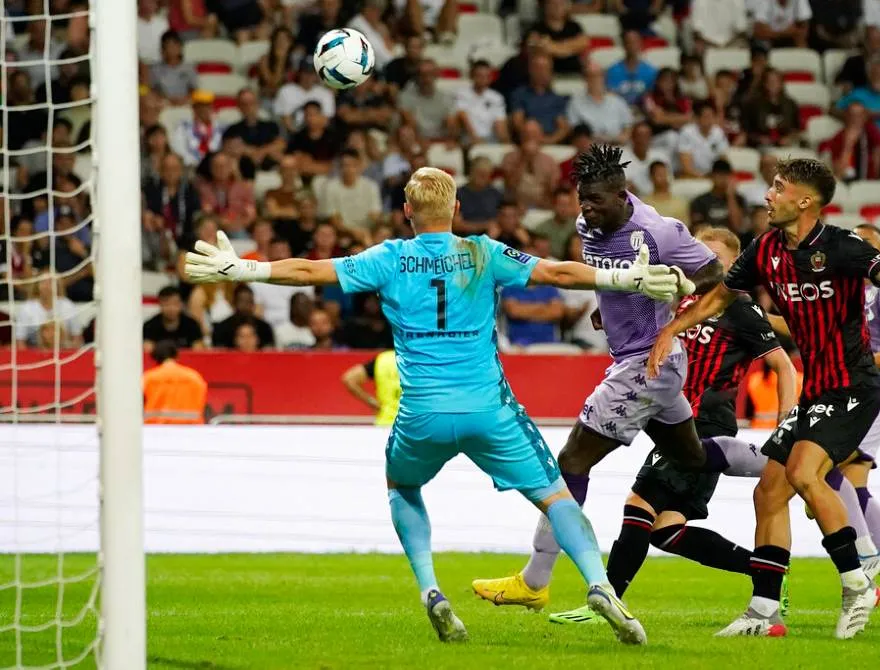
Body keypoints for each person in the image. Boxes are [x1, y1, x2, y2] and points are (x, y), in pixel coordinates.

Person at [184, 165, 689, 645]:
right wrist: (626, 280)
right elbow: (557, 274)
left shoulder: (388, 258)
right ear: (457, 208)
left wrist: (244, 268)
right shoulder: (481, 252)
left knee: (402, 485)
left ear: (406, 209)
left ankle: (431, 589)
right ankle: (600, 586)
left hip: (421, 413)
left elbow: (308, 270)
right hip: (489, 411)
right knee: (556, 496)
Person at [646, 158, 880, 638]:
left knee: (803, 473)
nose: (767, 195)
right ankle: (764, 608)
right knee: (768, 492)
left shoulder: (843, 247)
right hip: (816, 391)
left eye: (778, 187)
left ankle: (857, 580)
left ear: (804, 200)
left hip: (854, 386)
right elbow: (717, 299)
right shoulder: (764, 249)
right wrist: (671, 329)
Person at [473, 147, 769, 613]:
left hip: (645, 364)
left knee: (571, 460)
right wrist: (606, 308)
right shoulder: (587, 224)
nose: (585, 209)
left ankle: (535, 580)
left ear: (621, 193)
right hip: (644, 359)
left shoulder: (658, 232)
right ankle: (786, 464)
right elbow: (610, 278)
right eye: (581, 199)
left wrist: (681, 299)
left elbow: (717, 275)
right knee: (689, 454)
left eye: (594, 200)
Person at [548, 227, 797, 625]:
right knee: (666, 530)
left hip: (706, 423)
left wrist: (786, 422)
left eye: (715, 258)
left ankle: (606, 602)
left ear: (732, 265)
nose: (705, 264)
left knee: (638, 506)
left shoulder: (739, 308)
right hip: (673, 417)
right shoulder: (676, 300)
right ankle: (766, 571)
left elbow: (783, 365)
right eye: (700, 255)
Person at [787, 223, 880, 608]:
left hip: (876, 396)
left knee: (827, 470)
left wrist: (846, 360)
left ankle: (867, 556)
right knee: (849, 481)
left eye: (866, 246)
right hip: (841, 394)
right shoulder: (839, 291)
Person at [142, 340, 208, 424]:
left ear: (155, 357)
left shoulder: (148, 378)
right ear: (176, 356)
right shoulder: (194, 377)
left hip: (156, 430)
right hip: (191, 430)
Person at [341, 349, 401, 426]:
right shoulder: (419, 359)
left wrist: (372, 402)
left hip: (386, 423)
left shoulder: (384, 359)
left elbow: (349, 379)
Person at [143, 285, 204, 353]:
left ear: (181, 304)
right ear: (160, 304)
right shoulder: (150, 326)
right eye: (167, 304)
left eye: (175, 304)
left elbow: (199, 351)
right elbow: (147, 350)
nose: (171, 308)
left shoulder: (192, 325)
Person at [211, 283, 275, 349]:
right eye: (241, 301)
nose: (245, 306)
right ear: (233, 303)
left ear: (253, 304)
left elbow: (269, 353)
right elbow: (218, 355)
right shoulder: (220, 329)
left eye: (249, 302)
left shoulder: (264, 328)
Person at [677, 101, 730, 178]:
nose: (709, 120)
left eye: (712, 116)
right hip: (691, 176)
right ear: (697, 118)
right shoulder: (687, 132)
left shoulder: (718, 132)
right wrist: (702, 176)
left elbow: (723, 158)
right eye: (706, 117)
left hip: (712, 175)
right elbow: (686, 166)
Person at [605, 30, 658, 106]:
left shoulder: (651, 72)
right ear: (623, 45)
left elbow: (652, 99)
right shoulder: (612, 71)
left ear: (641, 44)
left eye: (635, 42)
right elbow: (610, 99)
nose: (632, 46)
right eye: (628, 42)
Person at [690, 159, 744, 231]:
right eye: (719, 175)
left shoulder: (738, 199)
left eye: (726, 175)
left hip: (732, 239)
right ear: (712, 176)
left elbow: (737, 226)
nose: (723, 178)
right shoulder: (699, 201)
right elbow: (697, 229)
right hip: (709, 238)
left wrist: (730, 196)